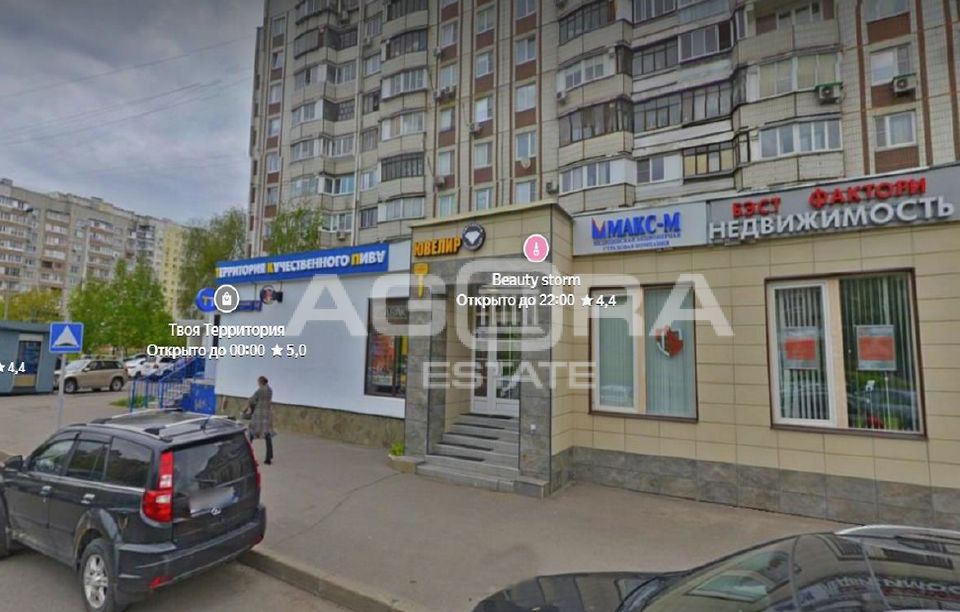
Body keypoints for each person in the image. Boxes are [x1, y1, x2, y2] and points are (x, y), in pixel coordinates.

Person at [247, 375, 275, 464]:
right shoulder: (270, 390)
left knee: (251, 432)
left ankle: (247, 454)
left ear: (261, 382)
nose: (258, 384)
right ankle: (268, 458)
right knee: (267, 435)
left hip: (258, 415)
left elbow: (252, 400)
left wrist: (248, 405)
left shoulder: (260, 390)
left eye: (258, 382)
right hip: (267, 415)